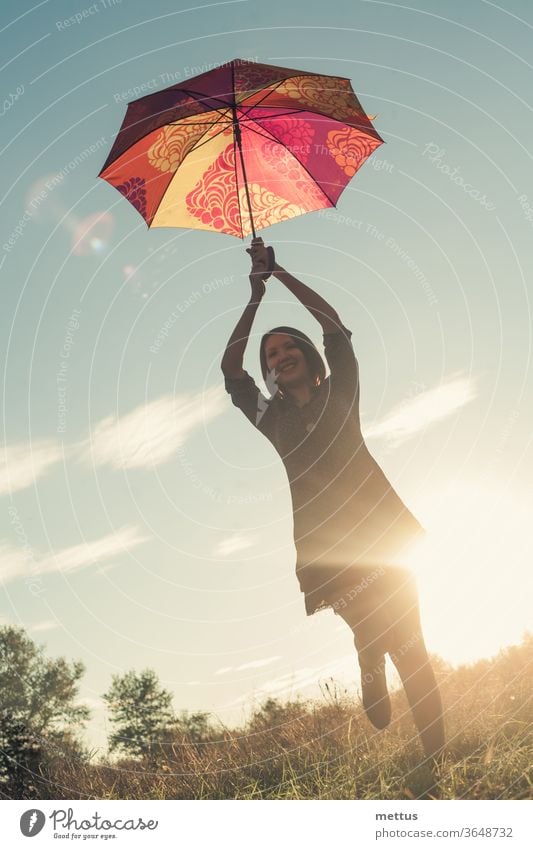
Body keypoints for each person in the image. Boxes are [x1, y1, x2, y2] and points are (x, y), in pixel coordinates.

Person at [221, 238, 444, 762]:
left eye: (289, 345)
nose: (281, 354)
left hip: (385, 533)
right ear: (270, 370)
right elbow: (232, 372)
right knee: (377, 626)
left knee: (410, 641)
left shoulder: (340, 392)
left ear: (309, 354)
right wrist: (253, 296)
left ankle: (436, 760)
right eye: (272, 353)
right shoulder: (270, 418)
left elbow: (334, 326)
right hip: (329, 552)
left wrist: (280, 273)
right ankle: (369, 653)